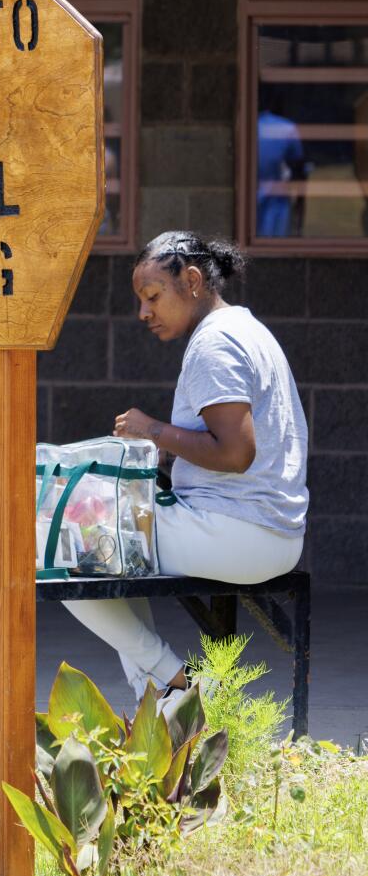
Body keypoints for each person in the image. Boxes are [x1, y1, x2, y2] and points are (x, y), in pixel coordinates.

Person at [63, 232, 308, 705]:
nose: (144, 312)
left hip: (238, 532)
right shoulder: (245, 329)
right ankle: (160, 699)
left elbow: (236, 453)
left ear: (192, 281)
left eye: (153, 296)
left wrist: (152, 429)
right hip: (267, 532)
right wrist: (164, 451)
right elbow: (231, 448)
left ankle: (177, 682)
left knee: (67, 550)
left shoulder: (214, 345)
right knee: (106, 549)